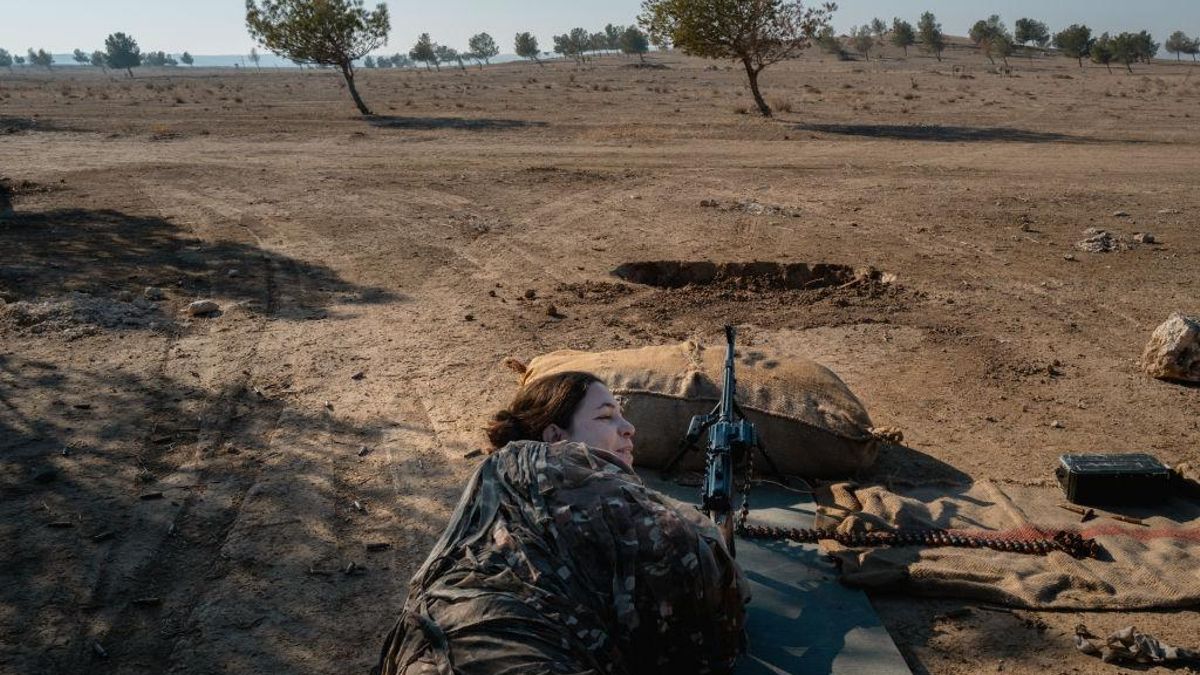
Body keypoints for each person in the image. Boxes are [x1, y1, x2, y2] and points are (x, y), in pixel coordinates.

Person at [375, 371, 748, 675]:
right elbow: (687, 562)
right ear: (555, 436)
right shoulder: (558, 465)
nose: (628, 427)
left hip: (429, 647)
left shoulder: (499, 480)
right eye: (605, 416)